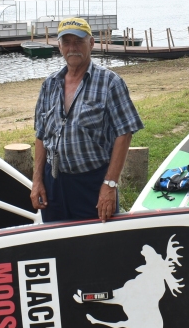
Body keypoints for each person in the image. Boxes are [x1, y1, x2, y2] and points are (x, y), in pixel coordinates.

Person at [31, 17, 143, 222]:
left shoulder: (110, 82)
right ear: (60, 46)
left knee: (97, 245)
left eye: (78, 41)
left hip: (92, 182)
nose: (72, 48)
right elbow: (40, 135)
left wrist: (109, 185)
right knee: (56, 244)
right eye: (67, 42)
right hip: (53, 183)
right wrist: (37, 181)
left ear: (91, 43)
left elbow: (125, 133)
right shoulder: (49, 84)